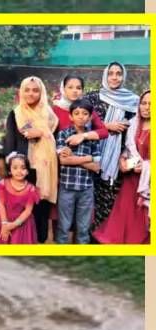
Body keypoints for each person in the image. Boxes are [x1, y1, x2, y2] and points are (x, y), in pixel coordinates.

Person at [84, 62, 141, 232]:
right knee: (89, 201)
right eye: (111, 73)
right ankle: (88, 239)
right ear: (105, 76)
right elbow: (82, 123)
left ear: (123, 76)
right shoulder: (93, 97)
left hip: (118, 161)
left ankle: (103, 240)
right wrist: (107, 126)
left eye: (118, 73)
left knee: (110, 201)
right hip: (94, 156)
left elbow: (137, 128)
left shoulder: (134, 101)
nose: (114, 77)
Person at [2, 77, 59, 242]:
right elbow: (10, 144)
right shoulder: (16, 114)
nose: (31, 94)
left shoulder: (50, 116)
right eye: (27, 90)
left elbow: (55, 142)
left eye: (35, 90)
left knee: (41, 212)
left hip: (45, 172)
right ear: (21, 91)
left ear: (41, 93)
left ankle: (39, 247)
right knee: (22, 213)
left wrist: (41, 132)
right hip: (23, 172)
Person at [96, 90, 151, 244]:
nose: (147, 107)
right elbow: (129, 149)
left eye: (151, 104)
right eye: (144, 103)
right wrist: (122, 160)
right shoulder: (134, 124)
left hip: (147, 184)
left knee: (143, 223)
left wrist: (147, 167)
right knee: (123, 220)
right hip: (131, 180)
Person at [55, 99, 103, 244]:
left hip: (86, 189)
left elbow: (96, 167)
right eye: (76, 113)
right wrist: (88, 158)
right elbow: (63, 161)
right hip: (66, 188)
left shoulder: (92, 137)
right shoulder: (63, 135)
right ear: (71, 116)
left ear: (89, 117)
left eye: (84, 113)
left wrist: (74, 158)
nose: (81, 116)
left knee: (83, 228)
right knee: (64, 226)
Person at [0, 153, 40, 244]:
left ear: (28, 171)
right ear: (9, 171)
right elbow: (1, 204)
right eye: (15, 168)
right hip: (2, 218)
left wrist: (12, 225)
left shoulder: (31, 189)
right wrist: (4, 224)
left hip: (21, 223)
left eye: (23, 168)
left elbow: (28, 211)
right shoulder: (3, 184)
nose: (19, 171)